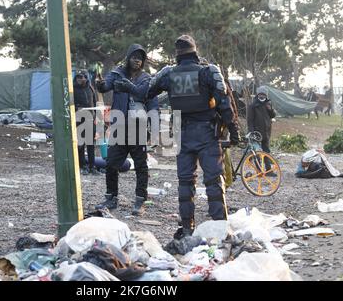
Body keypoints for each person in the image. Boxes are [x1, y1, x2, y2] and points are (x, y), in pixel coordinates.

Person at [147, 35, 240, 239]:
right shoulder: (208, 72)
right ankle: (220, 228)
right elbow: (224, 104)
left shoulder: (168, 74)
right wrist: (234, 131)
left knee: (185, 181)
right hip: (207, 132)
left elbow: (148, 92)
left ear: (177, 55)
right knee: (214, 180)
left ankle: (188, 228)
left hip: (182, 132)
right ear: (195, 52)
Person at [95, 44, 156, 216]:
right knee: (111, 164)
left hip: (138, 128)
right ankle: (111, 197)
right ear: (128, 57)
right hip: (119, 127)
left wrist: (153, 125)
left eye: (140, 58)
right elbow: (105, 86)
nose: (137, 60)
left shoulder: (146, 78)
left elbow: (149, 99)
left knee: (141, 166)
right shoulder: (117, 73)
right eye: (134, 57)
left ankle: (139, 200)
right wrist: (100, 84)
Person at [73, 70, 101, 175]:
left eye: (83, 77)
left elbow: (95, 103)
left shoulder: (90, 88)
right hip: (79, 120)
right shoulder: (73, 90)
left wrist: (96, 117)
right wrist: (77, 108)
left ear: (86, 78)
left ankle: (92, 167)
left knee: (90, 144)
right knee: (80, 144)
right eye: (79, 77)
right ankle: (82, 166)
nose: (81, 79)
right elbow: (70, 104)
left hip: (90, 119)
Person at [247, 86, 277, 175]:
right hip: (256, 133)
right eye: (260, 94)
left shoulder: (268, 103)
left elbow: (273, 115)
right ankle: (259, 171)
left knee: (266, 151)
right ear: (257, 94)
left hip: (266, 132)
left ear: (266, 95)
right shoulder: (253, 106)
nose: (262, 96)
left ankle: (268, 171)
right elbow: (250, 121)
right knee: (257, 153)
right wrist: (252, 132)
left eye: (263, 94)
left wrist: (270, 109)